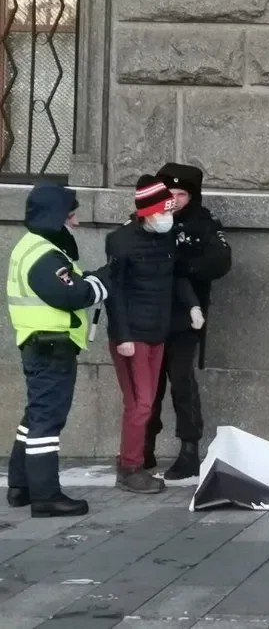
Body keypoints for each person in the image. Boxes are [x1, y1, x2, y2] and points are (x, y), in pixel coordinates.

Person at [5, 182, 109, 517]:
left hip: (40, 343)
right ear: (55, 215)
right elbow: (71, 294)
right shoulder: (45, 255)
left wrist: (88, 279)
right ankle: (46, 496)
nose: (75, 220)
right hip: (51, 346)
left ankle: (21, 486)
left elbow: (67, 283)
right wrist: (101, 283)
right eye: (70, 214)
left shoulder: (32, 246)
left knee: (36, 416)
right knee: (47, 423)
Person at [105, 175, 203, 494]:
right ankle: (130, 468)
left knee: (141, 404)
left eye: (170, 211)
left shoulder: (166, 237)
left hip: (157, 331)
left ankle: (130, 463)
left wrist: (192, 306)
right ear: (147, 213)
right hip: (132, 335)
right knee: (141, 404)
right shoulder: (121, 241)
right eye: (163, 211)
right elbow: (115, 293)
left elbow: (176, 276)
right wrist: (124, 337)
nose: (168, 217)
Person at [146, 162, 231, 480]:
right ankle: (144, 445)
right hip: (149, 316)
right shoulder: (148, 218)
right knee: (149, 386)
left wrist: (185, 267)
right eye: (170, 193)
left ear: (192, 196)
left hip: (185, 318)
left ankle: (189, 451)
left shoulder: (203, 224)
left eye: (182, 194)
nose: (175, 199)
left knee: (182, 382)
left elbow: (220, 260)